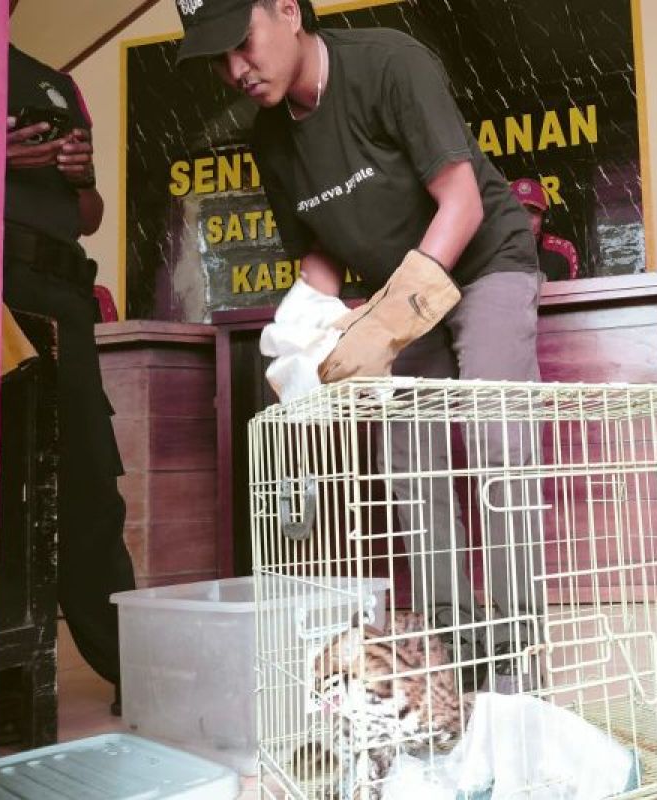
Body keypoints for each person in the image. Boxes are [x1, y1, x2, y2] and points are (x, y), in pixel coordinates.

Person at [174, 0, 543, 689]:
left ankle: (519, 649)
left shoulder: (388, 63)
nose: (235, 70)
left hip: (482, 258)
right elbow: (317, 255)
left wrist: (387, 323)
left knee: (497, 432)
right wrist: (307, 329)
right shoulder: (270, 137)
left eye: (241, 43)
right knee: (410, 459)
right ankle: (453, 646)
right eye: (218, 60)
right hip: (392, 287)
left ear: (287, 9)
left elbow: (460, 201)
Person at [4, 40, 136, 710]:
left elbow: (88, 219)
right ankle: (0, 678)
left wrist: (80, 177)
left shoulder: (55, 82)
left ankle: (132, 672)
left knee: (89, 482)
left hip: (63, 302)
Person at [510, 177, 580, 281]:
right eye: (518, 212)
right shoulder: (493, 254)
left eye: (533, 212)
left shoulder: (562, 251)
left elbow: (568, 297)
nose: (525, 220)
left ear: (545, 218)